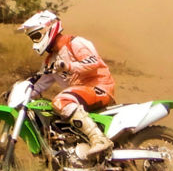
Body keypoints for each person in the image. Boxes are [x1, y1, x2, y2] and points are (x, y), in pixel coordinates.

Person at [16, 10, 116, 157]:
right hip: (81, 94)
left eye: (36, 36)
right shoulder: (50, 60)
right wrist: (19, 93)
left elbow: (95, 62)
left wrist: (69, 66)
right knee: (48, 108)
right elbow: (39, 83)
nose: (35, 43)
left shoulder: (75, 43)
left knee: (61, 101)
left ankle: (99, 139)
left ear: (48, 29)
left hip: (99, 87)